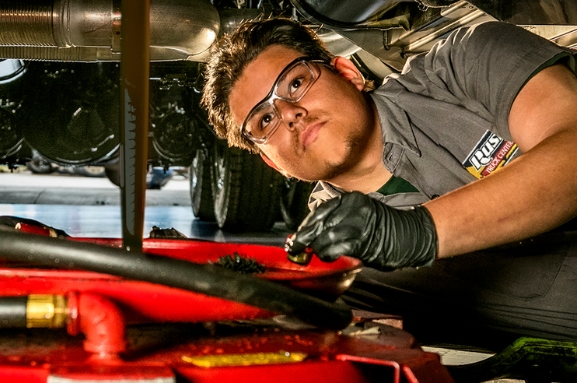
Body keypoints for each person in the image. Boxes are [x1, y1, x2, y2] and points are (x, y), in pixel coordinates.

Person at [201, 17, 577, 345]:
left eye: (296, 83)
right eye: (264, 121)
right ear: (272, 162)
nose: (289, 114)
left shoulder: (469, 61)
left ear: (349, 74)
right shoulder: (334, 265)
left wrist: (417, 231)